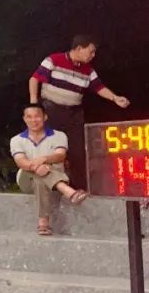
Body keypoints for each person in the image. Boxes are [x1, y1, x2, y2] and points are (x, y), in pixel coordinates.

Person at [29, 34, 130, 188]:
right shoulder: (54, 60)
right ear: (79, 48)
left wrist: (115, 98)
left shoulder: (88, 70)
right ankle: (51, 187)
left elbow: (99, 87)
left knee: (78, 153)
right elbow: (34, 79)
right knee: (49, 150)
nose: (93, 55)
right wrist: (34, 105)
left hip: (74, 115)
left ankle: (80, 189)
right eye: (91, 51)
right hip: (51, 111)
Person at [11, 103, 88, 236]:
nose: (33, 120)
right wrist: (35, 166)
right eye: (29, 117)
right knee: (34, 171)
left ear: (45, 117)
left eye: (37, 116)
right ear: (24, 119)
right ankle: (68, 191)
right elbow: (20, 162)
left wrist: (43, 159)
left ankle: (43, 223)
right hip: (26, 179)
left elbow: (60, 156)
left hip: (51, 177)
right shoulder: (16, 140)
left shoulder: (59, 136)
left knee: (40, 180)